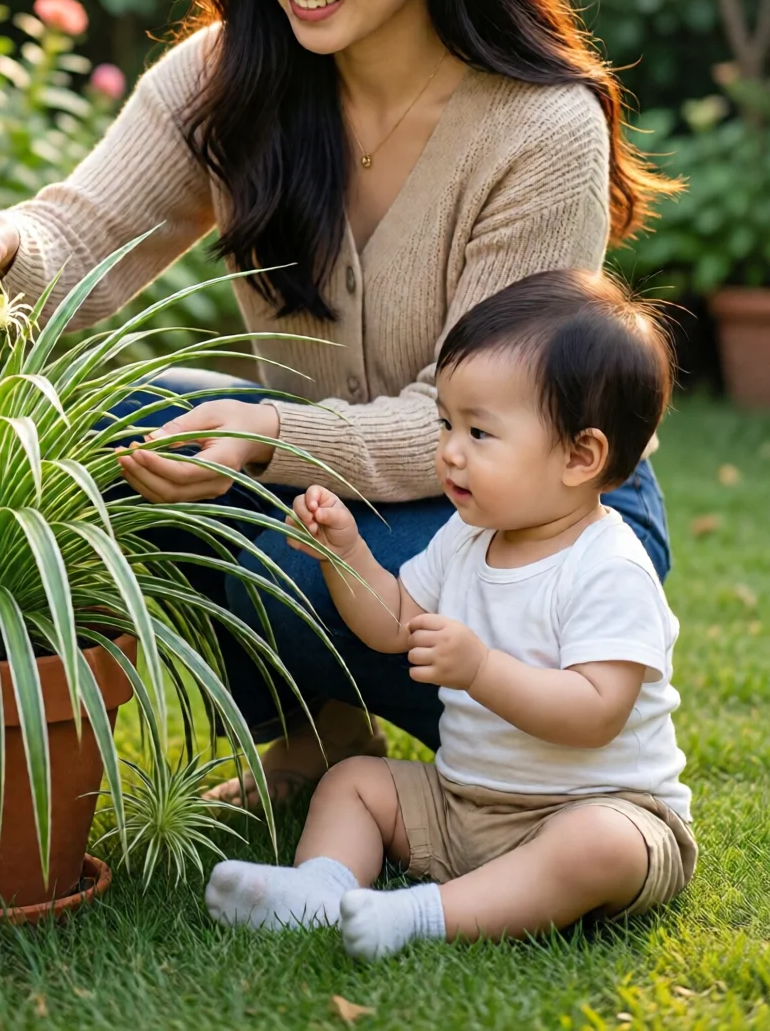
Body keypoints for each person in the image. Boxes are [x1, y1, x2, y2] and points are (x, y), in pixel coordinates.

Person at [0, 0, 678, 803]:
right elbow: (75, 238)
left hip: (534, 532)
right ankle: (311, 739)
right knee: (107, 421)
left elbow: (495, 420)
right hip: (339, 504)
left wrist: (270, 434)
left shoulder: (537, 127)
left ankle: (540, 741)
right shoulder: (227, 77)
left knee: (274, 569)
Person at [206, 270, 695, 955]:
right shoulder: (468, 537)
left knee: (600, 847)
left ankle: (421, 916)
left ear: (580, 456)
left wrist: (481, 670)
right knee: (356, 782)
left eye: (479, 433)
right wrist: (347, 557)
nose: (449, 450)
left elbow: (596, 712)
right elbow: (393, 623)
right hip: (464, 803)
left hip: (596, 805)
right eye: (446, 422)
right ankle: (318, 889)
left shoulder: (608, 567)